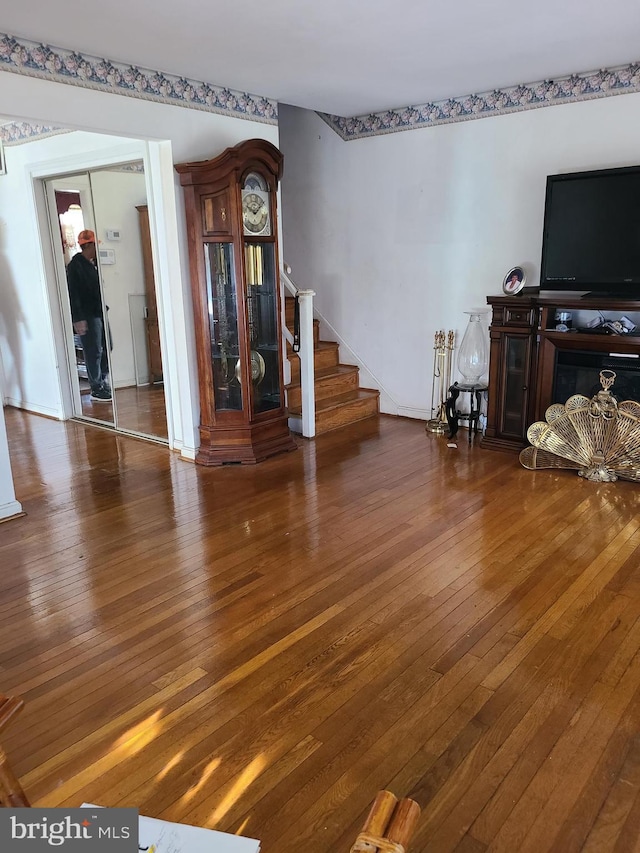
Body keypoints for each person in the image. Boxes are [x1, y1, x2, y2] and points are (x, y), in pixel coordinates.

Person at [66, 229, 112, 401]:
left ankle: (102, 379)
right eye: (95, 245)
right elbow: (73, 294)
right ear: (89, 245)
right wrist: (78, 319)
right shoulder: (75, 266)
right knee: (94, 351)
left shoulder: (91, 265)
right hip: (87, 315)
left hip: (99, 312)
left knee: (107, 346)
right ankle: (96, 386)